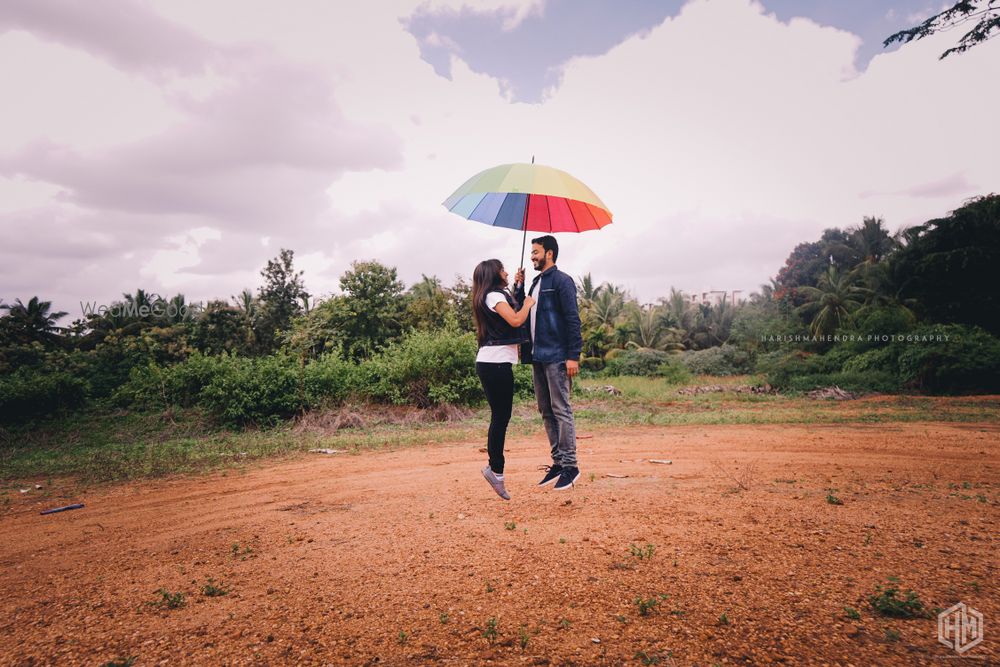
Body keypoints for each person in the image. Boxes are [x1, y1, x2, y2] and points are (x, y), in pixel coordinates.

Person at [517, 235, 583, 491]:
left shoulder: (562, 281)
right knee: (545, 410)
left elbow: (572, 319)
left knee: (561, 409)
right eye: (532, 252)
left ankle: (571, 465)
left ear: (550, 253)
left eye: (536, 252)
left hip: (557, 355)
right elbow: (524, 310)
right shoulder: (535, 282)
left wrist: (572, 355)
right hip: (537, 356)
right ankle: (558, 462)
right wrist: (518, 286)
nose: (532, 256)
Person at [471, 259, 535, 500]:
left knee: (500, 417)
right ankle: (495, 470)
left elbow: (510, 305)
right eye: (503, 270)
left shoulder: (491, 295)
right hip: (495, 363)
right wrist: (528, 303)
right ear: (494, 274)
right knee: (500, 418)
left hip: (494, 362)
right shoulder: (492, 296)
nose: (507, 272)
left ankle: (495, 469)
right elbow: (516, 320)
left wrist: (519, 286)